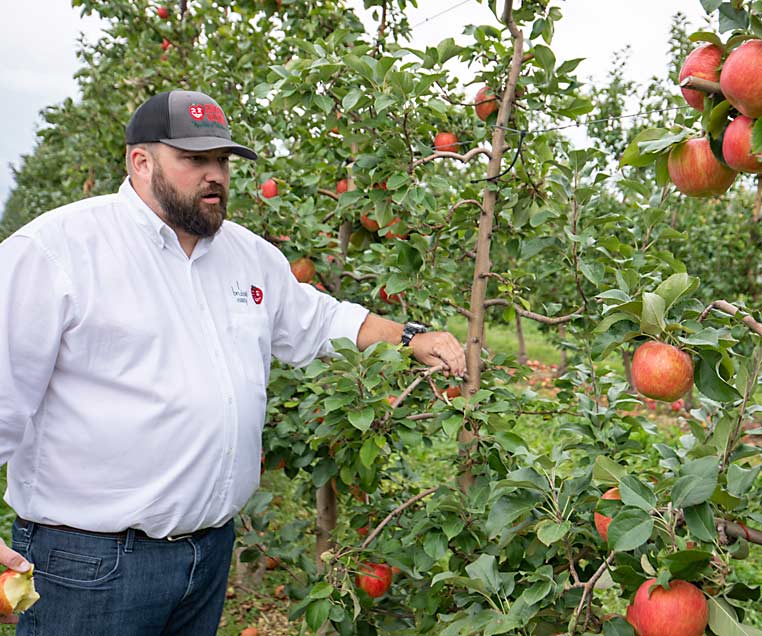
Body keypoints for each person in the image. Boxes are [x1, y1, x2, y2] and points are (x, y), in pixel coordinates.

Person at [0, 89, 466, 635]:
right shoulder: (57, 250)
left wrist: (410, 337)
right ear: (141, 161)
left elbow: (322, 321)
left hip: (207, 553)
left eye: (221, 160)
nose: (215, 175)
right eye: (194, 160)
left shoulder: (249, 255)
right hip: (91, 564)